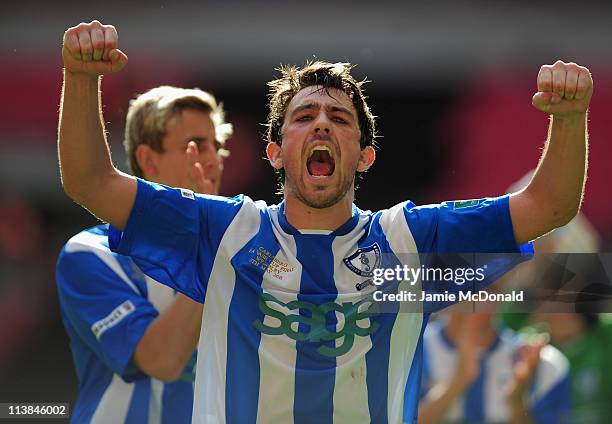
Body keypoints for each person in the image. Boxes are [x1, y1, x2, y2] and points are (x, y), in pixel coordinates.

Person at [57, 20, 591, 423]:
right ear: (273, 151)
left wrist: (568, 119)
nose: (322, 125)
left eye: (339, 119)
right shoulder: (224, 231)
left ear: (364, 156)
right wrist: (80, 78)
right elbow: (90, 182)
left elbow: (549, 206)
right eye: (303, 117)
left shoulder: (410, 243)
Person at [56, 83, 233, 423]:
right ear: (148, 160)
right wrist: (211, 249)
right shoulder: (90, 254)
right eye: (195, 146)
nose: (213, 160)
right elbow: (162, 359)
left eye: (217, 146)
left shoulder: (240, 250)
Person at [414, 312, 571, 424]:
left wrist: (516, 403)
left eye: (490, 288)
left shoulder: (547, 364)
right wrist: (457, 383)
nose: (477, 298)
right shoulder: (407, 354)